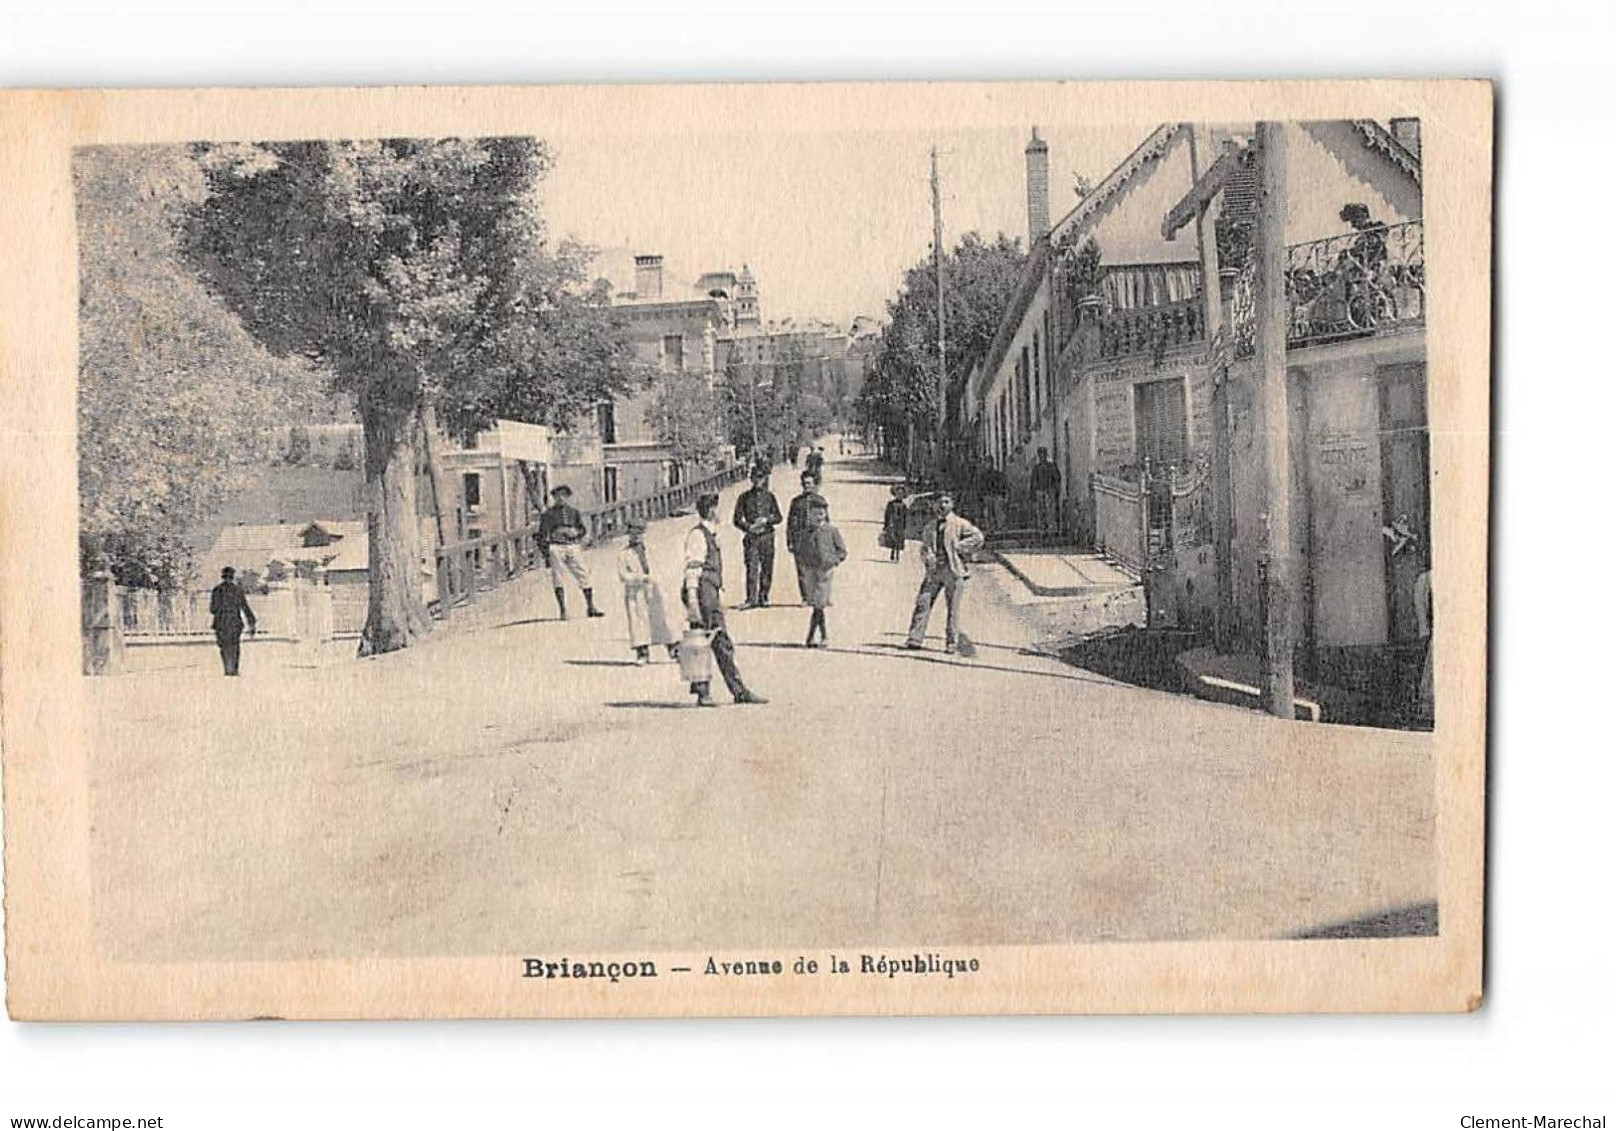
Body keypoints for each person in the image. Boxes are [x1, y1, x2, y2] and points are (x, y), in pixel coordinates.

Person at [682, 493, 767, 707]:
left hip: (709, 591)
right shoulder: (698, 535)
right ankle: (732, 691)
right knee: (714, 640)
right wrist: (693, 602)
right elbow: (693, 569)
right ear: (710, 510)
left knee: (706, 639)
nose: (717, 512)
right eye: (715, 508)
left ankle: (709, 691)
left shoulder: (710, 533)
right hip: (703, 592)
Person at [905, 492, 985, 654]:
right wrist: (928, 557)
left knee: (952, 609)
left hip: (953, 570)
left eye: (946, 502)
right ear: (933, 505)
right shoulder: (929, 527)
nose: (942, 506)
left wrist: (959, 547)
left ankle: (951, 643)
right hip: (934, 571)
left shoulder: (960, 523)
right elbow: (924, 548)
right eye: (939, 503)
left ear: (952, 504)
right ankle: (915, 638)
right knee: (923, 602)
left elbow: (978, 537)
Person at [538, 484, 604, 619]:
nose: (561, 498)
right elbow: (541, 536)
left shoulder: (574, 512)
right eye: (557, 496)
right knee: (558, 578)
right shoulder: (548, 515)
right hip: (556, 547)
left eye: (564, 495)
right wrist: (546, 555)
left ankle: (591, 606)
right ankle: (563, 610)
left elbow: (583, 530)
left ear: (568, 497)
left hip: (573, 546)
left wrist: (575, 533)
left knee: (583, 574)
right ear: (554, 497)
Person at [617, 518, 676, 665]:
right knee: (639, 621)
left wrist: (658, 579)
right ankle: (642, 652)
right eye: (633, 533)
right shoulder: (624, 554)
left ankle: (673, 648)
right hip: (636, 591)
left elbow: (661, 567)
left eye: (640, 533)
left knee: (662, 617)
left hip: (654, 587)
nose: (636, 536)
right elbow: (623, 575)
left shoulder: (652, 549)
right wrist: (639, 578)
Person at [796, 496, 847, 648]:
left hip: (825, 572)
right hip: (810, 571)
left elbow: (842, 551)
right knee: (816, 604)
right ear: (809, 514)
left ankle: (814, 636)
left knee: (819, 603)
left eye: (821, 513)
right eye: (814, 514)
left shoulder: (831, 530)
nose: (818, 517)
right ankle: (819, 636)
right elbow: (800, 550)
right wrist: (803, 565)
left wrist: (834, 561)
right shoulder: (805, 532)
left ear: (825, 514)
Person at [732, 467, 783, 608]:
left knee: (767, 568)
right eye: (755, 478)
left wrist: (767, 520)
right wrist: (748, 527)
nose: (757, 481)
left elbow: (779, 517)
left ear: (764, 479)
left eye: (760, 478)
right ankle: (750, 599)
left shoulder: (770, 497)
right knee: (751, 567)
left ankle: (764, 596)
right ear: (751, 479)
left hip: (767, 536)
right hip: (752, 537)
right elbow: (736, 519)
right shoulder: (744, 498)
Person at [209, 566, 257, 676]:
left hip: (221, 623)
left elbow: (212, 609)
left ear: (223, 577)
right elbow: (245, 607)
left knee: (224, 646)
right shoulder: (238, 590)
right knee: (235, 646)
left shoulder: (217, 590)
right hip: (235, 623)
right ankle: (234, 669)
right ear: (232, 577)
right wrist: (252, 622)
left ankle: (227, 668)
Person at [784, 470, 823, 604]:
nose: (807, 486)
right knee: (801, 569)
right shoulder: (796, 502)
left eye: (809, 483)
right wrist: (789, 540)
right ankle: (805, 597)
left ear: (814, 484)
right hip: (800, 539)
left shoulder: (820, 501)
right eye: (805, 483)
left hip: (815, 539)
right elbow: (790, 523)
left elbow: (826, 522)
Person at [1030, 448, 1061, 539]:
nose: (1042, 457)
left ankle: (1052, 529)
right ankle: (1042, 530)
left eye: (1044, 455)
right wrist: (1033, 494)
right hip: (1040, 491)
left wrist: (1054, 489)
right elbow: (1033, 481)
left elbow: (1057, 477)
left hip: (1049, 491)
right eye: (1040, 455)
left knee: (1050, 511)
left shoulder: (1051, 466)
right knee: (1041, 511)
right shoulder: (1036, 468)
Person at [881, 483, 910, 562]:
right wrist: (886, 524)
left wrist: (905, 526)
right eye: (898, 493)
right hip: (892, 523)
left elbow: (905, 516)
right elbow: (887, 514)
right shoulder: (891, 504)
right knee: (893, 539)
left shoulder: (904, 505)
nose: (899, 495)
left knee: (899, 539)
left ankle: (897, 556)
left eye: (901, 494)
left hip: (900, 524)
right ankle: (892, 554)